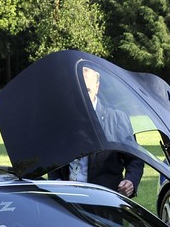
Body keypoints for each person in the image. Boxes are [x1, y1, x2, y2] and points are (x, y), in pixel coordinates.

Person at [53, 66, 143, 197]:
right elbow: (53, 159)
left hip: (104, 200)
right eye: (79, 90)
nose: (83, 96)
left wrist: (130, 181)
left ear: (97, 87)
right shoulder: (62, 121)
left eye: (87, 90)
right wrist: (56, 182)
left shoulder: (117, 119)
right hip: (68, 200)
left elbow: (135, 160)